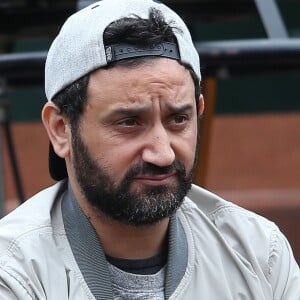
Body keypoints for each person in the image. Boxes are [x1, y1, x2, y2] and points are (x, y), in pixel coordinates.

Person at [0, 0, 299, 299]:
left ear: (198, 111)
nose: (163, 153)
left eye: (178, 119)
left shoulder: (260, 258)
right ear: (61, 129)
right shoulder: (14, 272)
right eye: (129, 122)